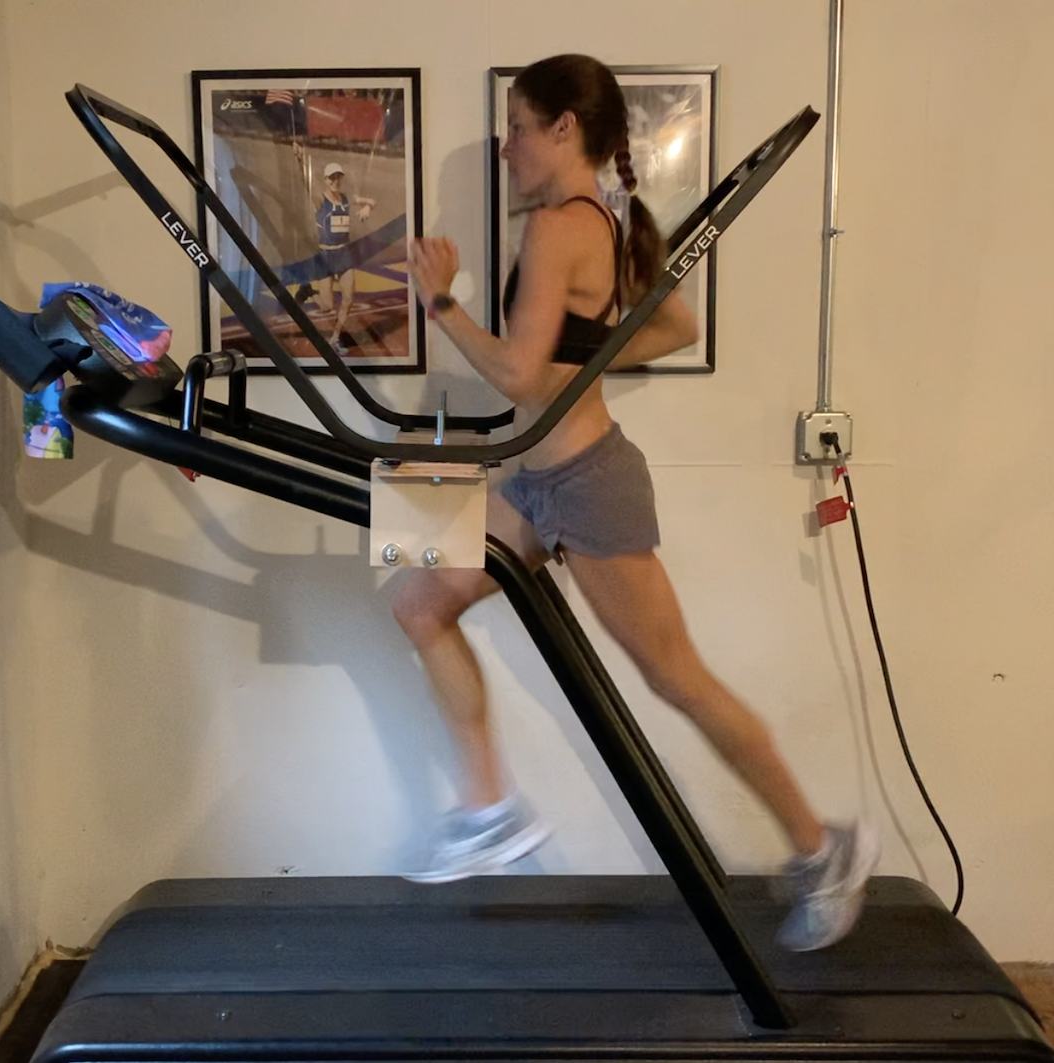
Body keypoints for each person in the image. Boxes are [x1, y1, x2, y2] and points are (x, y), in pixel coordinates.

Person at [399, 54, 878, 952]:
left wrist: (440, 301)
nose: (506, 147)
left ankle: (825, 847)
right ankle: (488, 809)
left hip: (588, 486)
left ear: (562, 131)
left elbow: (519, 372)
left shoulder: (558, 228)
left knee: (676, 677)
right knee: (420, 602)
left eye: (515, 127)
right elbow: (671, 326)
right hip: (534, 482)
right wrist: (583, 364)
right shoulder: (592, 222)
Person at [292, 145, 376, 354]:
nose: (335, 181)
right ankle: (308, 291)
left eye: (338, 177)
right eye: (331, 178)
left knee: (349, 296)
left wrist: (367, 207)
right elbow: (306, 183)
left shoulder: (347, 199)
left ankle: (335, 338)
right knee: (326, 306)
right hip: (326, 256)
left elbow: (372, 201)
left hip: (344, 254)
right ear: (325, 179)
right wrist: (301, 160)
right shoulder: (320, 200)